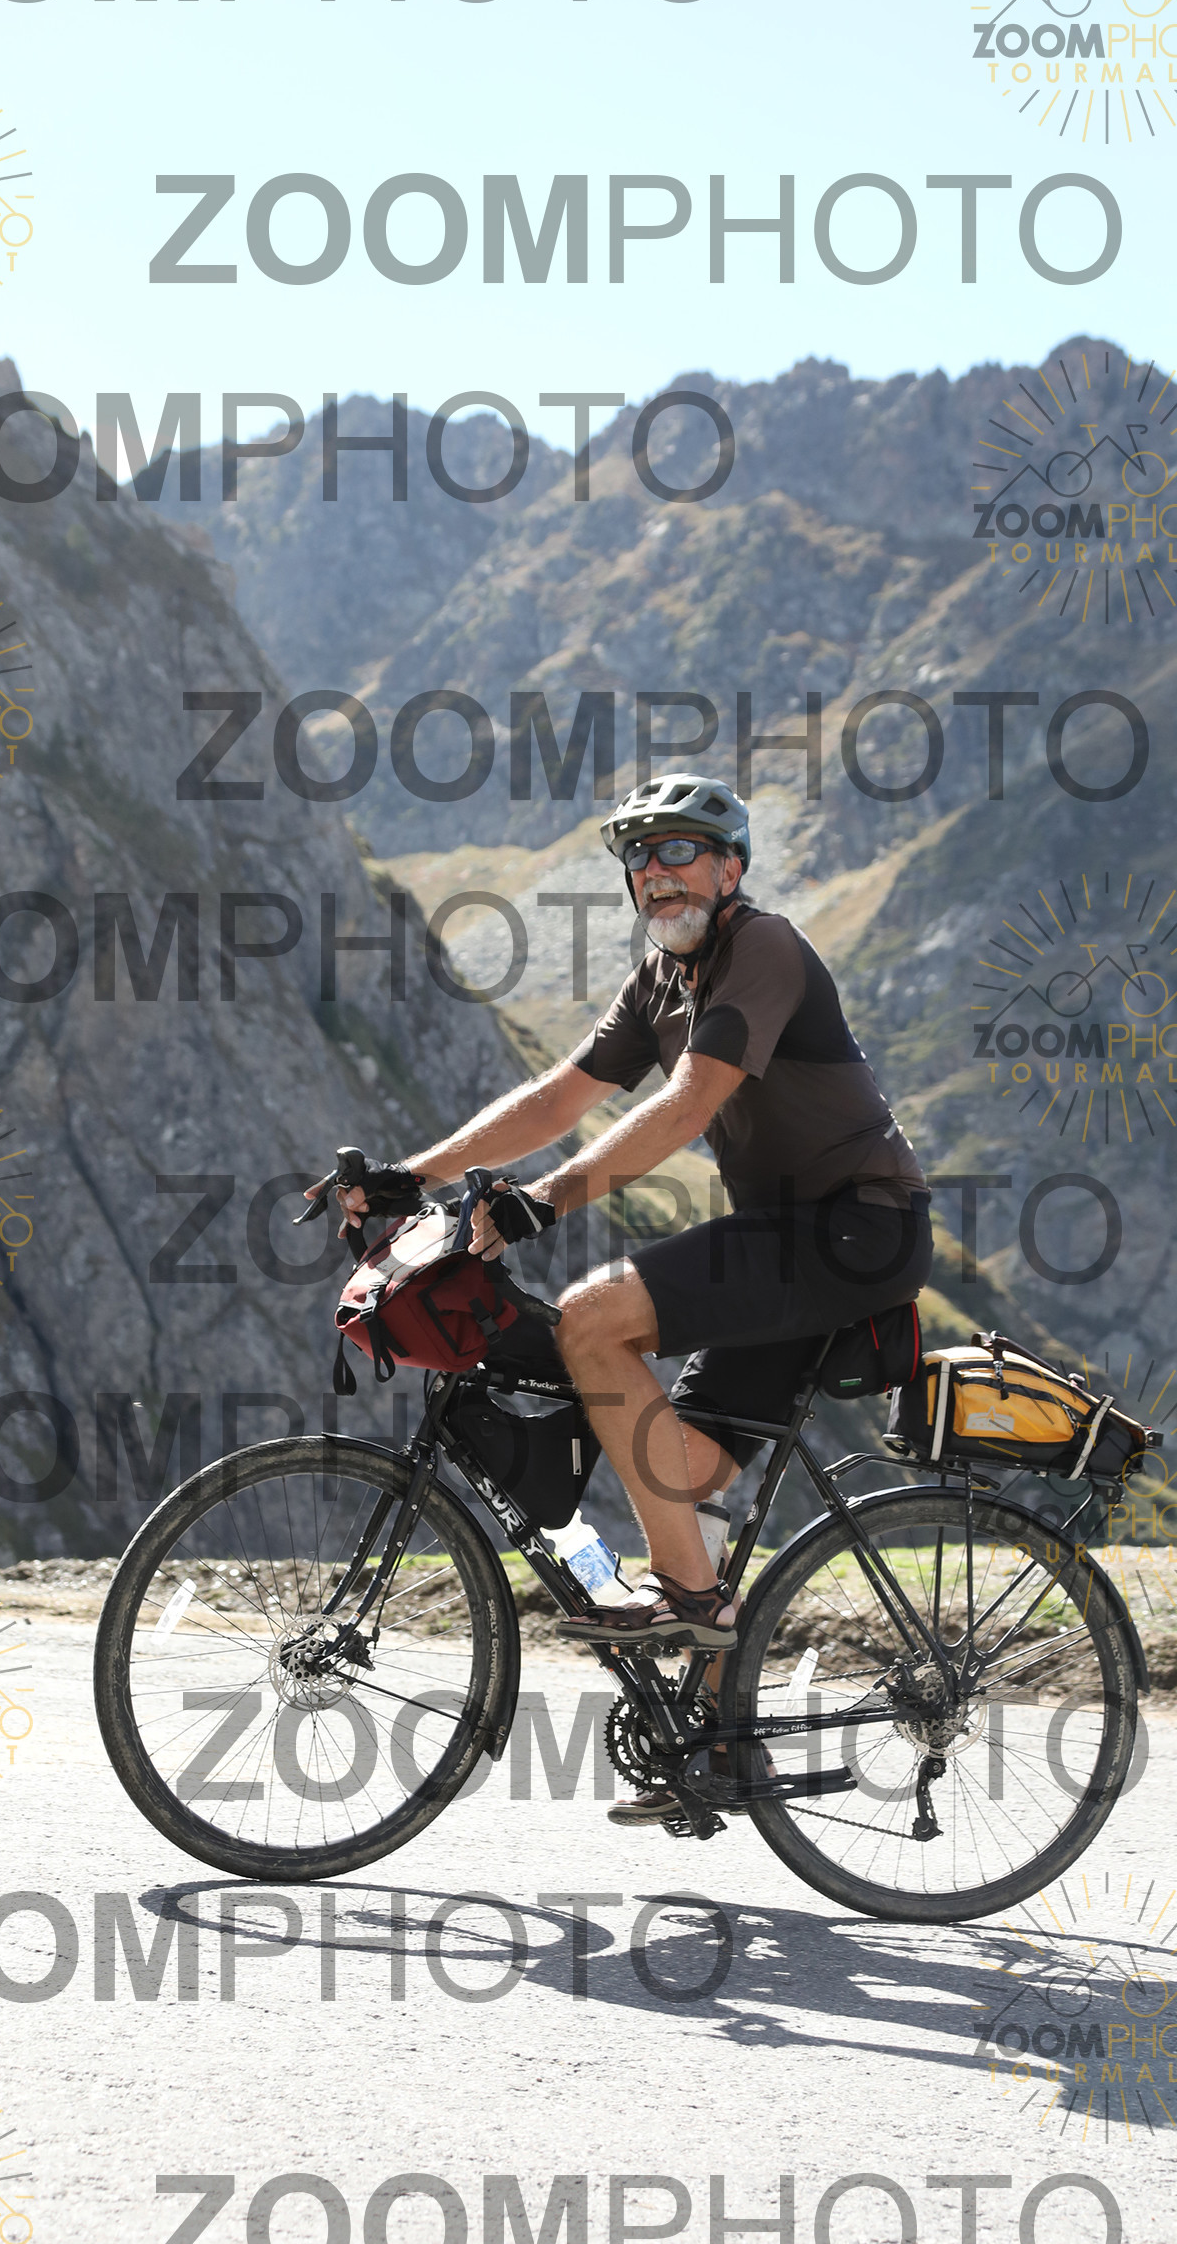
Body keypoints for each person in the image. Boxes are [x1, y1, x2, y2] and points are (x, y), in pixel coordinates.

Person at [314, 770, 932, 1820]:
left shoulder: (765, 950)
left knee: (595, 1319)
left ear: (730, 867)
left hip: (853, 1231)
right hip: (788, 1238)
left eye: (679, 849)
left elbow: (690, 1106)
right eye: (640, 856)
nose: (656, 871)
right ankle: (725, 1747)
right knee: (678, 1471)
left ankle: (688, 1599)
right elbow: (560, 1095)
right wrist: (414, 1176)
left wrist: (545, 1200)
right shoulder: (660, 981)